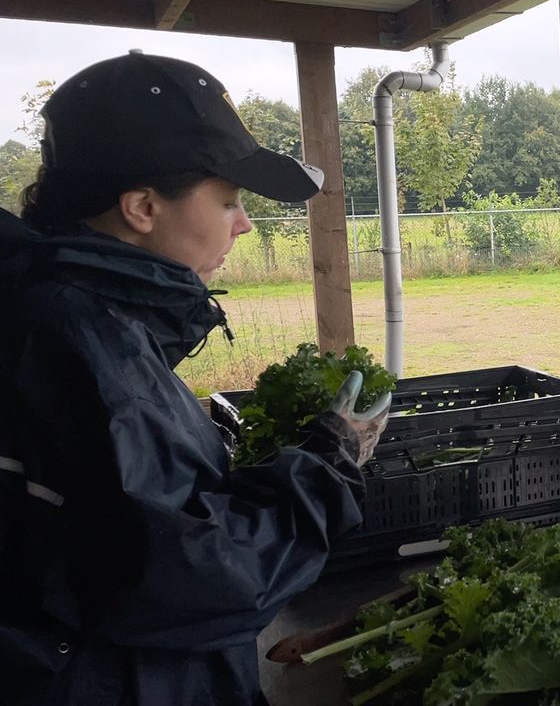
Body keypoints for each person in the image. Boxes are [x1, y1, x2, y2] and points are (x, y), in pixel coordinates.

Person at [0, 51, 391, 705]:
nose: (241, 223)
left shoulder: (52, 310)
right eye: (230, 200)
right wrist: (329, 468)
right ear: (143, 207)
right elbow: (199, 579)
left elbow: (124, 524)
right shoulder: (81, 343)